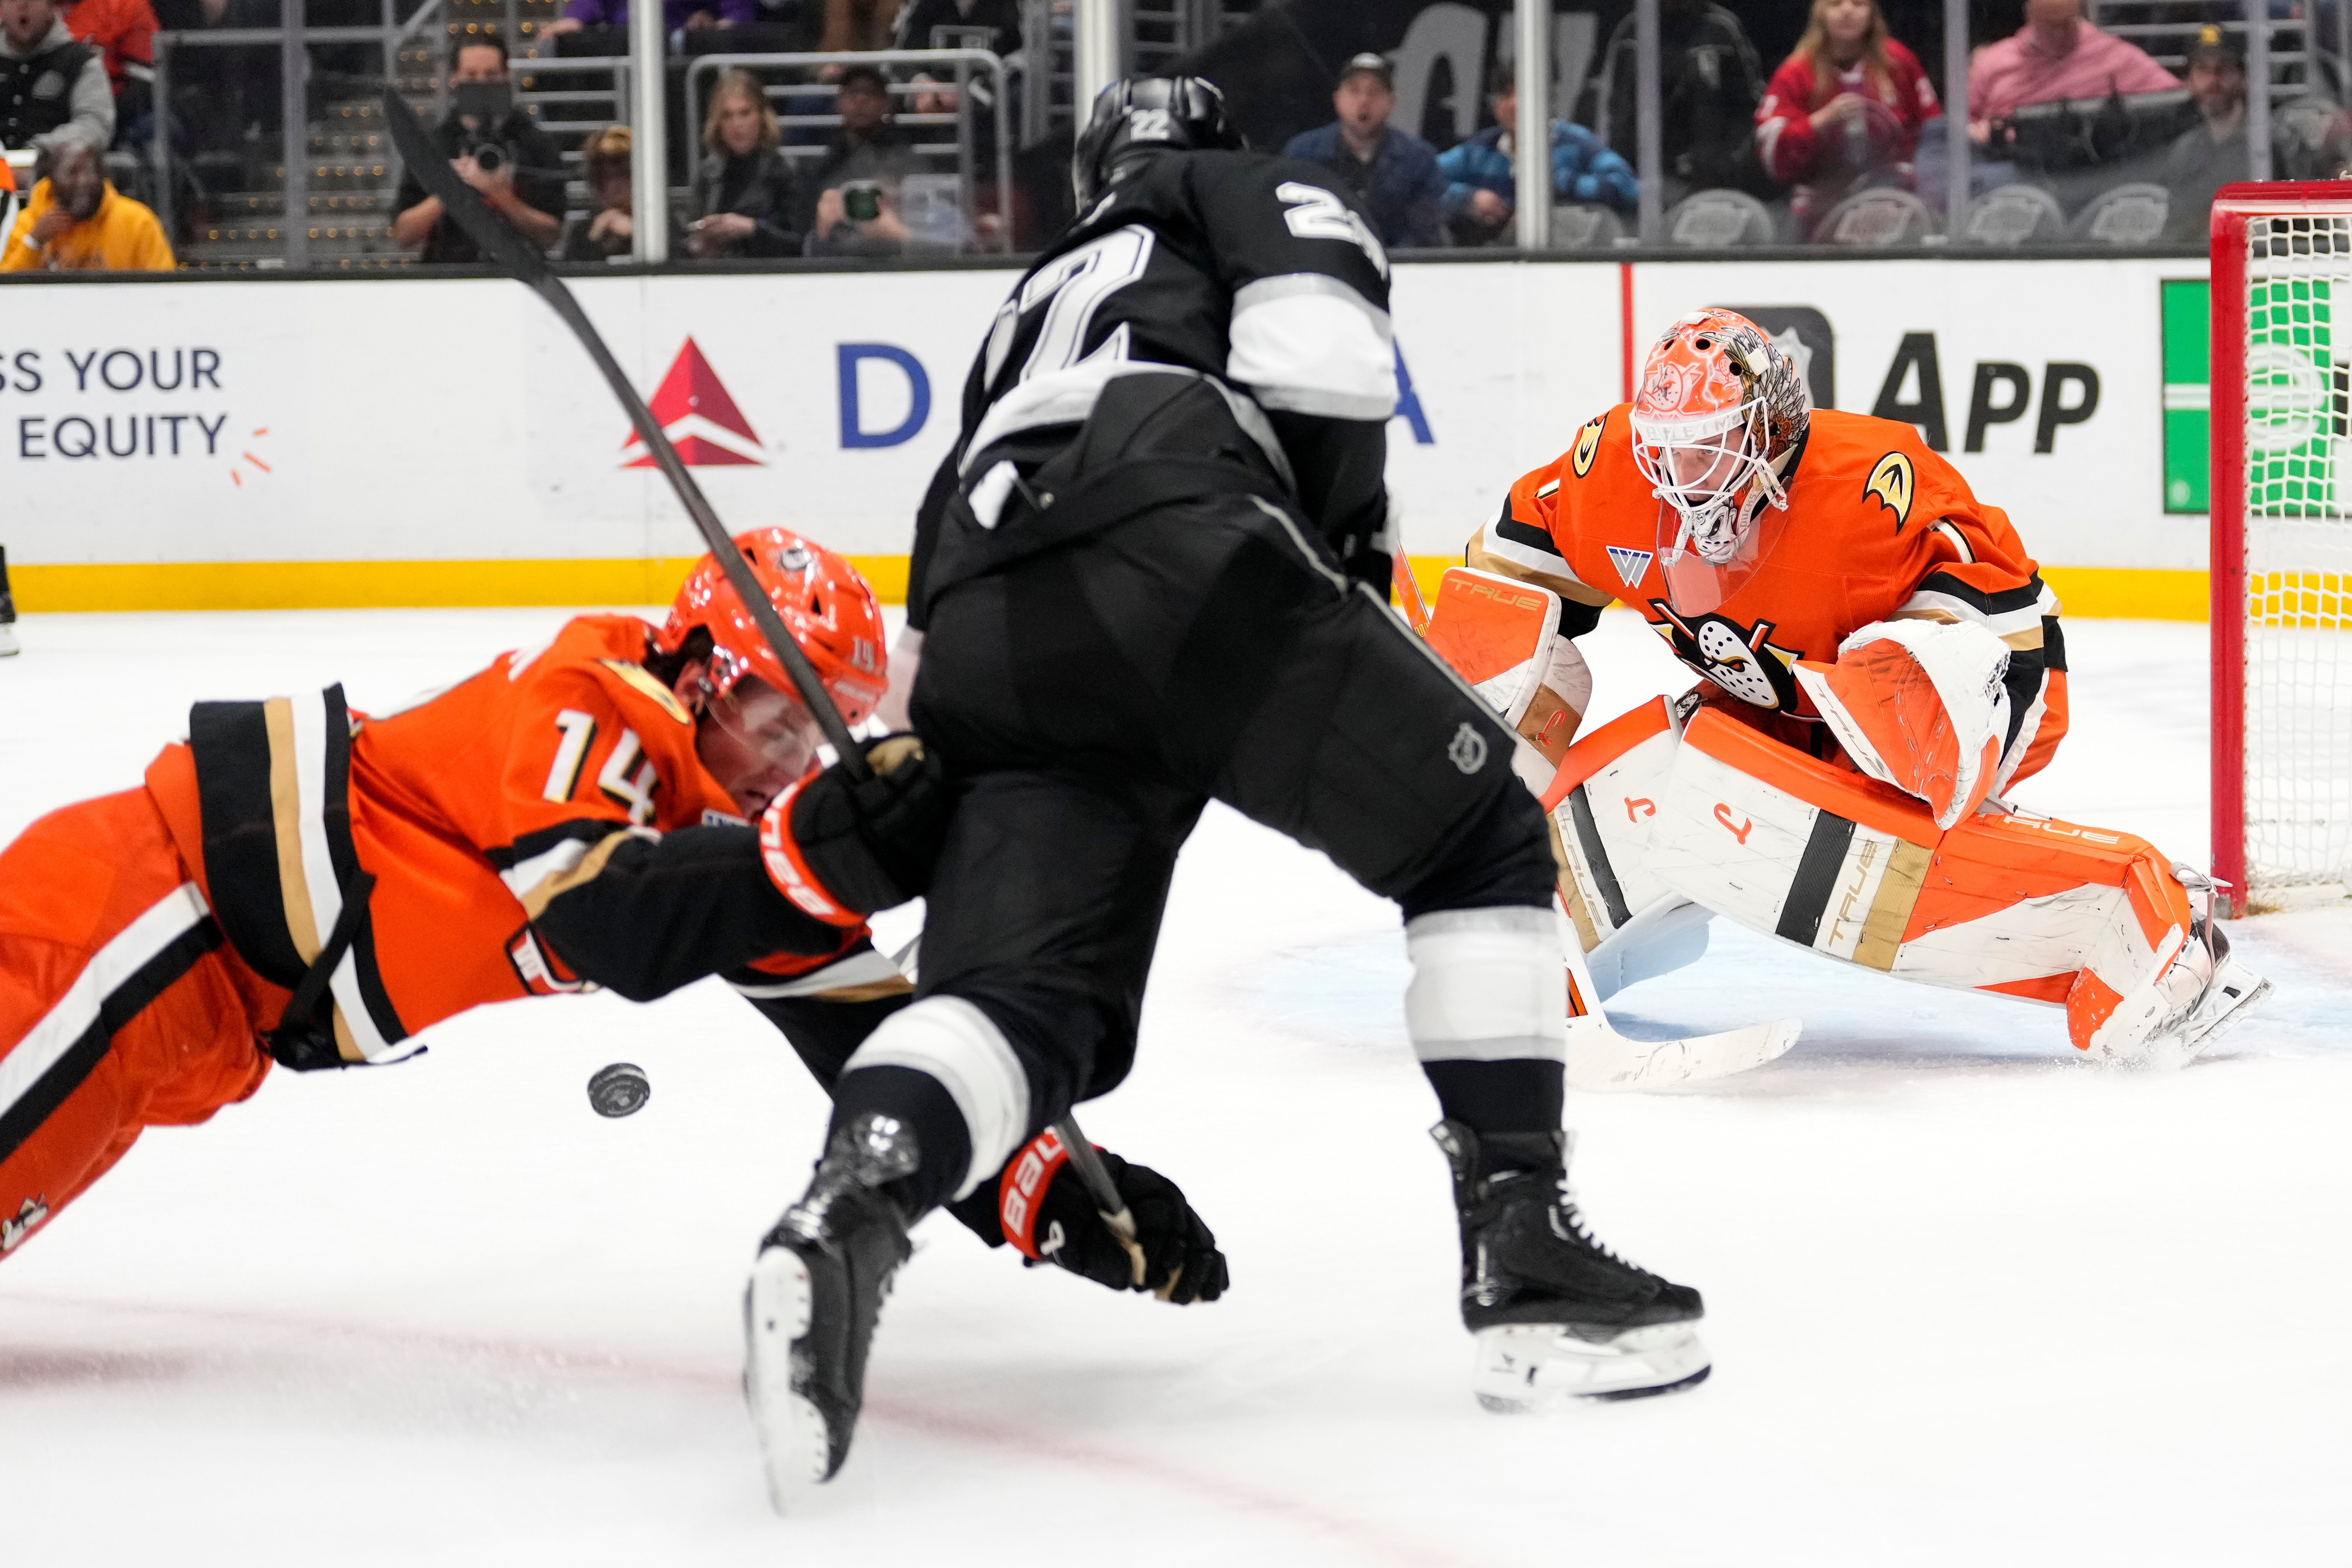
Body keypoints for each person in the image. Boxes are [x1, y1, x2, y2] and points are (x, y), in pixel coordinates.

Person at [740, 75, 1711, 1514]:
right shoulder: (1232, 189)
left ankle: (851, 1205)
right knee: (1479, 832)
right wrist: (1335, 582)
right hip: (1178, 526)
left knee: (1025, 1005)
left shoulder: (1031, 295)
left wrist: (946, 744)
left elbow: (958, 543)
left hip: (984, 602)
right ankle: (1526, 1254)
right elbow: (1324, 361)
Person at [0, 527, 1229, 1320]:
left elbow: (883, 1054)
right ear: (703, 664)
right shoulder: (590, 703)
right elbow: (605, 923)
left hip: (215, 1021)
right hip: (146, 913)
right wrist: (825, 846)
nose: (793, 764)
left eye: (823, 738)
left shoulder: (737, 855)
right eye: (780, 721)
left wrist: (1063, 1193)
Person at [1441, 308, 2267, 1078]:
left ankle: (2142, 919)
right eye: (1665, 446)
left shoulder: (1869, 488)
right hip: (1786, 706)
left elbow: (2004, 637)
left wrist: (1923, 745)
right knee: (1672, 774)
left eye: (1708, 444)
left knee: (1825, 764)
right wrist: (1468, 745)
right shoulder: (1610, 474)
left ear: (1768, 435)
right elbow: (1500, 583)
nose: (1676, 474)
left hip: (1955, 693)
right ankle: (1520, 955)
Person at [1754, 0, 1940, 237]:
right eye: (1836, 4)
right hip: (1819, 198)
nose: (1847, 11)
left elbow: (1934, 132)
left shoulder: (1899, 62)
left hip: (1896, 193)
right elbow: (1772, 150)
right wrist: (1819, 121)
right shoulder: (1795, 72)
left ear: (1872, 13)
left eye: (1858, 3)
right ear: (1821, 13)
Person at [391, 37, 565, 262]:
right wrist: (451, 190)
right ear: (455, 79)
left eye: (491, 75)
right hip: (450, 274)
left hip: (520, 275)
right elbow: (403, 235)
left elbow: (551, 236)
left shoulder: (535, 144)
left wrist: (501, 194)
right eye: (471, 76)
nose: (481, 84)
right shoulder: (432, 145)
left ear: (507, 77)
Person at [1439, 64, 1638, 244]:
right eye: (1506, 94)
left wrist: (1556, 184)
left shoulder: (1577, 143)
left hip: (1566, 267)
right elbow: (1423, 180)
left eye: (1525, 93)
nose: (1515, 104)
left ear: (1548, 98)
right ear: (1494, 103)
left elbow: (1628, 187)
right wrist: (1469, 199)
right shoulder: (1480, 149)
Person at [1588, 0, 1765, 199]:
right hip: (1644, 186)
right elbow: (1613, 114)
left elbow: (1751, 107)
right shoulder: (1631, 34)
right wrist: (1622, 175)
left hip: (1711, 184)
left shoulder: (1721, 30)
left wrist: (1722, 166)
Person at [1280, 53, 1447, 249]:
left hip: (1399, 267)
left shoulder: (1419, 158)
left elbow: (1426, 232)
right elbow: (1286, 223)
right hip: (1323, 266)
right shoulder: (1303, 154)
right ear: (1337, 100)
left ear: (1391, 102)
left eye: (1375, 92)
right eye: (1354, 91)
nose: (1364, 101)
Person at [1968, 0, 2176, 135]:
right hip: (2009, 167)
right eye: (2051, 26)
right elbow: (1959, 125)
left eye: (2067, 24)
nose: (2060, 35)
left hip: (2094, 166)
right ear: (2031, 17)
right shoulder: (1994, 63)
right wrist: (1975, 132)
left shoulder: (2111, 55)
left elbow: (2174, 97)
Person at [1, 126, 170, 268]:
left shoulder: (138, 222)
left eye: (90, 171)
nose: (82, 181)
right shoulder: (25, 225)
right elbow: (6, 296)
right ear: (53, 179)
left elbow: (168, 291)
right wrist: (34, 242)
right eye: (71, 173)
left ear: (103, 175)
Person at [685, 67, 801, 259]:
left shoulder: (786, 172)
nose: (737, 125)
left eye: (745, 113)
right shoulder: (708, 174)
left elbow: (799, 244)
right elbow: (690, 236)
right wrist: (702, 240)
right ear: (718, 123)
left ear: (762, 117)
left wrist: (751, 229)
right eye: (727, 116)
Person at [801, 63, 915, 256]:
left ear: (886, 103)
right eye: (852, 93)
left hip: (898, 265)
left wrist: (900, 234)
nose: (861, 100)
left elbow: (934, 237)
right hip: (836, 268)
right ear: (838, 104)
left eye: (870, 93)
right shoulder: (818, 168)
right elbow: (803, 244)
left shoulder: (909, 162)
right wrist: (822, 230)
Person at [2161, 26, 2252, 241]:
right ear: (2189, 81)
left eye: (2224, 69)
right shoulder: (2184, 151)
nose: (2213, 80)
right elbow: (2174, 230)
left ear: (2244, 77)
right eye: (2203, 70)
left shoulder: (2271, 145)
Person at [0, 0, 113, 153]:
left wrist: (41, 151)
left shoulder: (81, 63)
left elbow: (95, 125)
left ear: (51, 7)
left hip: (54, 170)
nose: (23, 5)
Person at [564, 123, 638, 262]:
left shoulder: (662, 226)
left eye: (624, 175)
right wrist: (594, 238)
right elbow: (571, 276)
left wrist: (639, 234)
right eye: (607, 177)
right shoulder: (584, 231)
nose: (616, 185)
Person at [544, 0, 750, 38]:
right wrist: (575, 18)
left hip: (692, 58)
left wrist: (715, 25)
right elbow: (587, 6)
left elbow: (740, 12)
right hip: (627, 55)